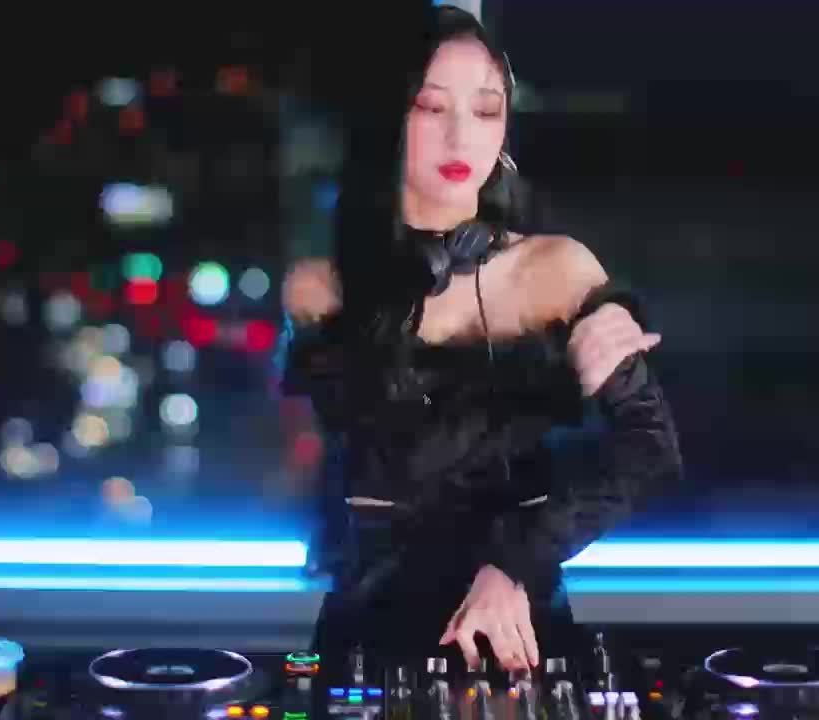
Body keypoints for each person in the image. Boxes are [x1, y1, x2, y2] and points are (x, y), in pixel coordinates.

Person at [281, 5, 681, 674]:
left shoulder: (555, 270)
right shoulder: (318, 290)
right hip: (367, 628)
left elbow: (651, 448)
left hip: (513, 628)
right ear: (387, 118)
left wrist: (513, 561)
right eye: (432, 107)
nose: (462, 135)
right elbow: (320, 474)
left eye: (487, 109)